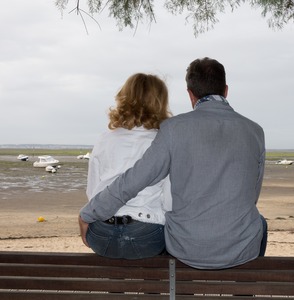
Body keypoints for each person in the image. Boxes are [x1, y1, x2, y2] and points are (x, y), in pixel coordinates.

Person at [80, 57, 267, 269]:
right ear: (226, 90)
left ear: (190, 94)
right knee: (260, 223)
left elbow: (133, 180)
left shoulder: (173, 129)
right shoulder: (255, 131)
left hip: (186, 248)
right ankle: (245, 290)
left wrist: (90, 212)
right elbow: (251, 196)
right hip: (240, 249)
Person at [83, 73, 172, 259]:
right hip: (145, 234)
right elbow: (169, 200)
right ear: (160, 102)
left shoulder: (105, 139)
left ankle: (116, 287)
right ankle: (151, 288)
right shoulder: (162, 141)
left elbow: (93, 193)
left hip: (102, 234)